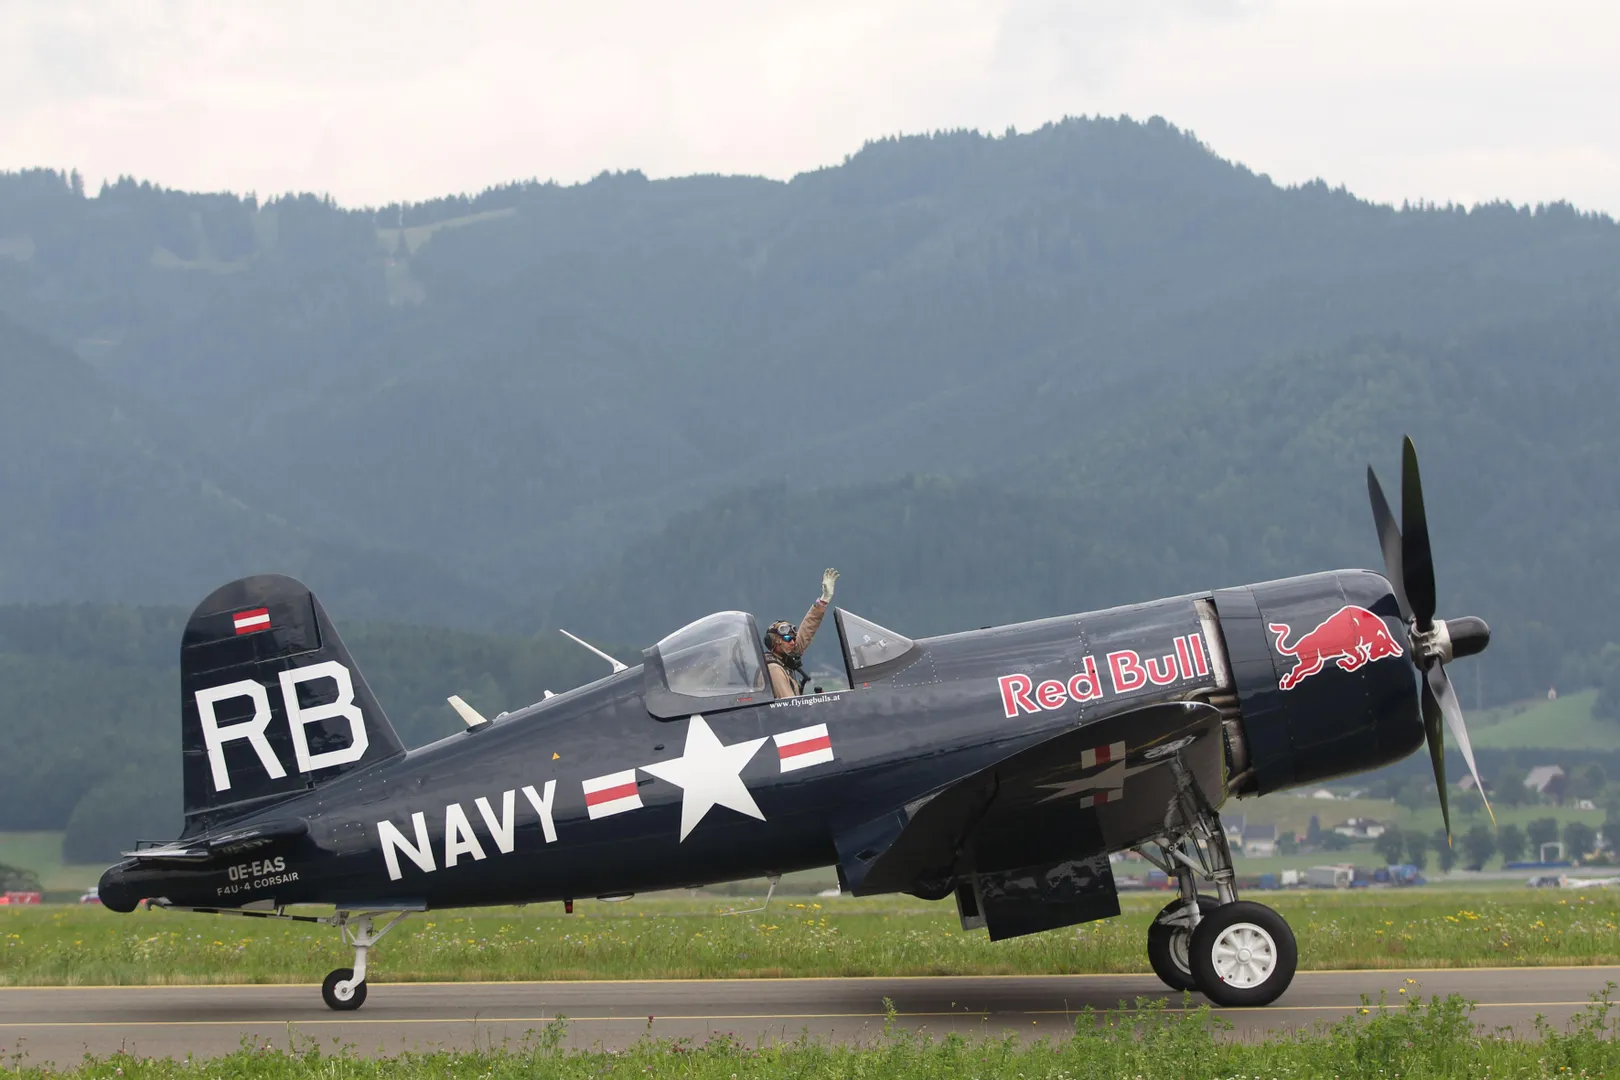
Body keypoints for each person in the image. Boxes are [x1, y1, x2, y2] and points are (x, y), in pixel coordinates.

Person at [764, 568, 839, 697]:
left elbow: (806, 632)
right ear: (775, 641)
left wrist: (823, 601)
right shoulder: (774, 669)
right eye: (788, 639)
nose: (793, 642)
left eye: (794, 639)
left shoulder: (783, 662)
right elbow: (791, 705)